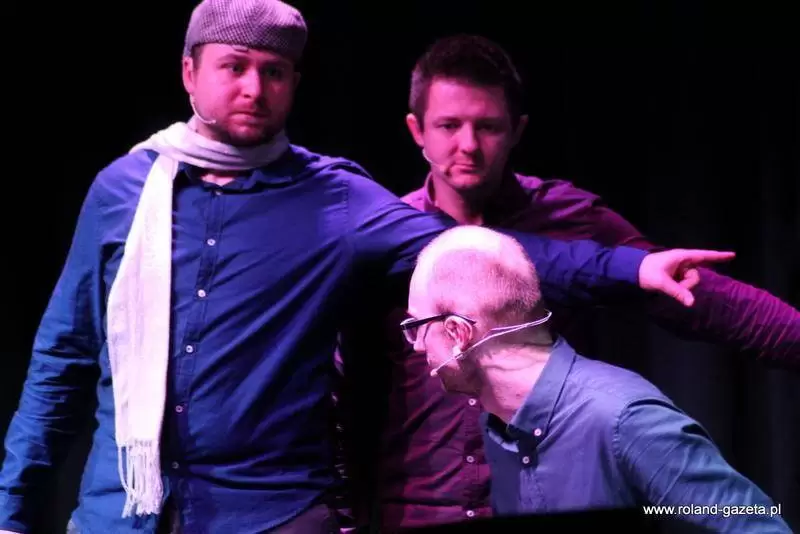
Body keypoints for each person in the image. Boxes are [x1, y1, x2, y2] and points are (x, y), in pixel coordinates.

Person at [0, 3, 730, 534]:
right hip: (122, 510)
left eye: (274, 72)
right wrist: (15, 510)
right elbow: (62, 356)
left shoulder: (335, 200)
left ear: (295, 83)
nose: (254, 88)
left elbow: (474, 253)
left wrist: (630, 269)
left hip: (274, 515)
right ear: (190, 72)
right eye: (234, 67)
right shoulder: (123, 191)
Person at [333, 34, 800, 531]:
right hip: (418, 510)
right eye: (449, 125)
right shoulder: (384, 239)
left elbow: (689, 294)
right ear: (417, 130)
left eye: (487, 126)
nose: (468, 145)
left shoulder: (567, 221)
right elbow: (341, 390)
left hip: (549, 496)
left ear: (517, 130)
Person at [402, 225, 792, 533]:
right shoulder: (498, 426)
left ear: (458, 332)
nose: (417, 345)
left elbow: (754, 522)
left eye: (417, 326)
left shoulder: (624, 421)